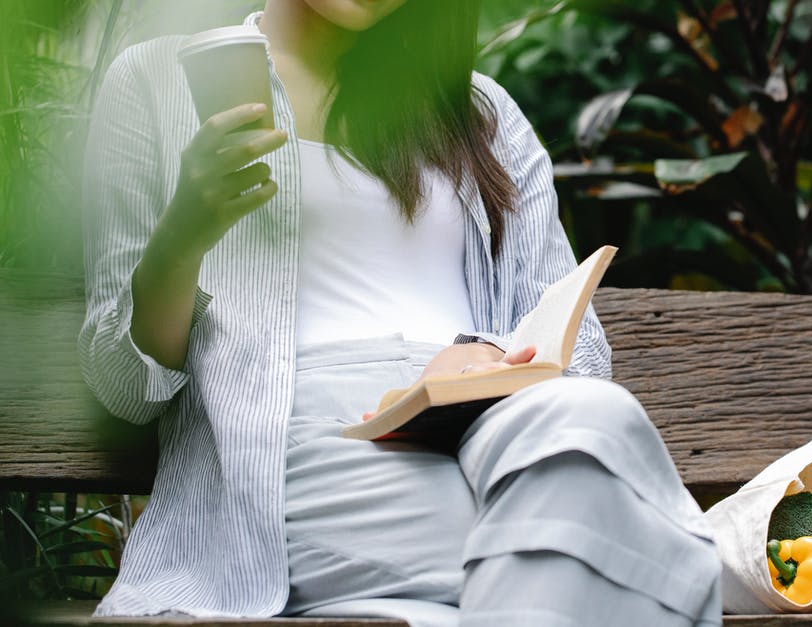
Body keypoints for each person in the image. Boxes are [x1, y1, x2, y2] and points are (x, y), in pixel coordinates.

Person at [79, 0, 722, 625]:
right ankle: (694, 565)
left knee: (597, 415)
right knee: (596, 548)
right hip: (297, 445)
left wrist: (486, 357)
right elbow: (126, 385)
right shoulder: (159, 81)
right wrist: (184, 235)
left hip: (490, 426)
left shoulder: (480, 111)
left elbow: (581, 355)